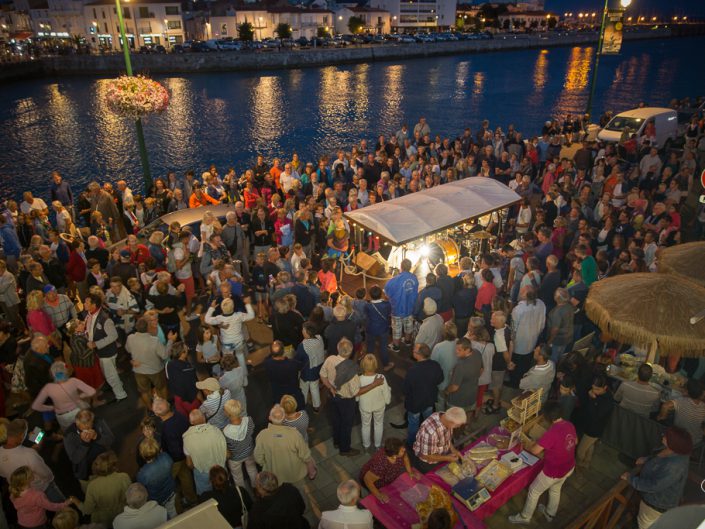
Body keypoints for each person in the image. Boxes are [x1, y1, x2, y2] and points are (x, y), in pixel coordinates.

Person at [509, 401, 577, 524]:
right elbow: (575, 441)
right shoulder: (569, 425)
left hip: (554, 471)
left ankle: (525, 517)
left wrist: (527, 444)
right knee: (555, 489)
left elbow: (535, 451)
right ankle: (550, 513)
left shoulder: (552, 432)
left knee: (534, 491)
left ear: (547, 417)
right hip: (569, 466)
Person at [320, 338, 383, 456]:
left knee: (335, 421)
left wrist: (330, 387)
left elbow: (322, 376)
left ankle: (337, 442)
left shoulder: (329, 359)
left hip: (332, 397)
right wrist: (374, 384)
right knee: (346, 425)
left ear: (338, 349)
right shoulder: (352, 371)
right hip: (346, 402)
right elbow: (356, 392)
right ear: (350, 352)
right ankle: (345, 449)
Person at [620, 426, 692, 529]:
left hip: (656, 505)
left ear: (674, 443)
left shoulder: (674, 466)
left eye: (667, 437)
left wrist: (630, 479)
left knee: (645, 524)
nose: (663, 436)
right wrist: (647, 459)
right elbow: (659, 460)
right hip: (656, 500)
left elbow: (653, 486)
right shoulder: (674, 450)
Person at [0, 419, 63, 502]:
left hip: (21, 493)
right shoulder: (29, 454)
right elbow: (47, 475)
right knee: (61, 503)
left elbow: (3, 474)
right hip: (41, 488)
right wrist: (37, 443)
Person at [253, 404, 316, 485]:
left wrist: (266, 463)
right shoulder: (294, 434)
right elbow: (305, 454)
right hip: (294, 473)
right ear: (284, 418)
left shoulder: (262, 436)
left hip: (275, 475)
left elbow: (258, 457)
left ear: (269, 418)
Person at [151, 398, 197, 509]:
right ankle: (192, 499)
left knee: (169, 482)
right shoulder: (179, 415)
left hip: (176, 459)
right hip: (186, 453)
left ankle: (176, 506)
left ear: (156, 414)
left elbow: (175, 450)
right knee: (186, 477)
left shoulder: (167, 429)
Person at [83, 292, 127, 401]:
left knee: (110, 375)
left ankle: (121, 395)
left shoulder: (105, 319)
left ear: (94, 305)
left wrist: (96, 344)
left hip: (107, 352)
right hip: (101, 352)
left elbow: (113, 336)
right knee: (110, 372)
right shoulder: (90, 314)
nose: (84, 304)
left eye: (86, 302)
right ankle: (119, 384)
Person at [31, 361, 96, 430]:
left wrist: (51, 408)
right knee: (85, 429)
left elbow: (35, 406)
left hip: (62, 416)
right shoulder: (73, 381)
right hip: (77, 412)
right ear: (65, 371)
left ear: (52, 374)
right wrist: (80, 396)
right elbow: (92, 391)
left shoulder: (48, 387)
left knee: (69, 433)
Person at [9, 466, 75, 529]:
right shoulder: (37, 495)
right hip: (37, 524)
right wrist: (66, 503)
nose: (33, 473)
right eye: (31, 473)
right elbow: (52, 507)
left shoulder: (13, 494)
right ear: (27, 480)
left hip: (22, 523)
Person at [125, 317, 169, 409]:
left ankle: (150, 408)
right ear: (148, 327)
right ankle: (164, 406)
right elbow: (164, 355)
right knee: (161, 387)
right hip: (155, 370)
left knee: (144, 391)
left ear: (136, 327)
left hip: (139, 370)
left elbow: (128, 350)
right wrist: (171, 341)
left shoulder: (130, 338)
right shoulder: (154, 340)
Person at [182, 409, 227, 496]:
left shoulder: (187, 438)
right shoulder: (216, 430)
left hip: (202, 471)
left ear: (191, 422)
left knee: (205, 495)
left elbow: (189, 464)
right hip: (220, 467)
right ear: (204, 418)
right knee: (224, 488)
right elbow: (226, 453)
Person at [360, 437, 418, 503]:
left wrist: (410, 472)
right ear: (394, 455)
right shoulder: (381, 464)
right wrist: (379, 495)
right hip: (375, 480)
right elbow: (367, 480)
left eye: (403, 448)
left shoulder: (401, 451)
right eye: (401, 450)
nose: (404, 449)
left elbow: (406, 459)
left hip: (387, 476)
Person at [64, 409, 115, 483]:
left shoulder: (99, 421)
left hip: (106, 464)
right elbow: (75, 459)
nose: (87, 429)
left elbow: (111, 440)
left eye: (89, 426)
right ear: (77, 424)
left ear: (92, 421)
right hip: (87, 472)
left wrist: (97, 437)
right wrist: (85, 444)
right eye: (83, 427)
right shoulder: (69, 435)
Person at [82, 451, 132, 526]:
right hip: (122, 514)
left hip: (102, 521)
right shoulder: (124, 477)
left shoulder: (92, 486)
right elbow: (130, 497)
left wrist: (77, 502)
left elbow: (88, 510)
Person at [412, 407, 467, 473]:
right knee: (431, 477)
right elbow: (426, 455)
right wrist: (447, 458)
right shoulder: (430, 433)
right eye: (457, 425)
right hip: (429, 462)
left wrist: (453, 450)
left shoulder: (444, 416)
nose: (458, 427)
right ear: (451, 422)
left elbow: (447, 438)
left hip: (440, 455)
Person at [576, 375, 614, 469]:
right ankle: (586, 462)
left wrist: (593, 399)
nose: (594, 391)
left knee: (580, 450)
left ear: (605, 387)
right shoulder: (596, 394)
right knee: (589, 446)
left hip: (594, 429)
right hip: (588, 426)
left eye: (597, 389)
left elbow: (596, 415)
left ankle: (579, 464)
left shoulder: (607, 401)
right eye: (593, 388)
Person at [510, 287, 546, 386]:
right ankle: (522, 381)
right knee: (526, 364)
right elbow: (543, 323)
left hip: (519, 344)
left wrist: (511, 341)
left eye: (522, 291)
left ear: (525, 295)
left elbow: (513, 329)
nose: (520, 292)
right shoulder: (541, 304)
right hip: (533, 341)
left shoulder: (518, 309)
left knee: (516, 365)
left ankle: (514, 383)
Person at [445, 337, 483, 423]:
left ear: (467, 350)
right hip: (472, 395)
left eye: (459, 350)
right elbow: (481, 370)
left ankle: (456, 435)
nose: (456, 351)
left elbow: (454, 387)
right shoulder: (477, 353)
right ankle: (466, 428)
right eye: (456, 349)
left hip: (458, 400)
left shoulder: (461, 365)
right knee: (468, 415)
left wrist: (446, 390)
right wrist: (472, 379)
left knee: (454, 421)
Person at [357, 354, 391, 451]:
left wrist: (358, 400)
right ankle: (377, 445)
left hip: (365, 406)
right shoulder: (381, 377)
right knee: (378, 424)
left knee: (365, 425)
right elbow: (387, 395)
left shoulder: (359, 379)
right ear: (376, 364)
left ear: (363, 365)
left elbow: (357, 395)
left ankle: (366, 445)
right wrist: (387, 400)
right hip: (379, 406)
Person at [384, 258, 418, 353]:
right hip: (410, 308)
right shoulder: (414, 278)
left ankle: (396, 347)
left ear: (401, 267)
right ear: (410, 267)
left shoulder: (394, 280)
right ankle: (407, 341)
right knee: (408, 325)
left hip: (397, 309)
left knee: (397, 329)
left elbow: (386, 293)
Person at [137, 438, 177, 519]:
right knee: (172, 512)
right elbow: (171, 466)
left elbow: (143, 488)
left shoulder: (142, 474)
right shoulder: (166, 457)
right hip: (170, 492)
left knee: (161, 518)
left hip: (156, 501)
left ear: (142, 453)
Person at [657, 379, 705, 446]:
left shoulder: (681, 401)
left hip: (679, 439)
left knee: (664, 419)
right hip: (695, 441)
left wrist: (662, 416)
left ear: (687, 391)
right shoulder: (703, 406)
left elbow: (665, 406)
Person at [223, 399, 258, 490]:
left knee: (237, 476)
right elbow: (252, 431)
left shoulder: (226, 431)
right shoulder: (249, 420)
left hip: (235, 458)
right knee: (252, 469)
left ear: (228, 414)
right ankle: (255, 486)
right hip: (249, 452)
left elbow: (227, 445)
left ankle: (242, 491)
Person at [295, 323, 325, 412]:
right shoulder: (319, 338)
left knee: (303, 388)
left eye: (303, 330)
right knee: (314, 387)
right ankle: (316, 406)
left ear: (308, 333)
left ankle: (302, 405)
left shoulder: (303, 346)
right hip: (317, 369)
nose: (302, 331)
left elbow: (298, 359)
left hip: (306, 371)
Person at [546, 288, 574, 364]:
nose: (554, 295)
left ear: (557, 298)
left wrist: (550, 341)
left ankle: (552, 373)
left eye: (555, 294)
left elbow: (555, 329)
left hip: (558, 340)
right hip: (567, 337)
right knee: (560, 356)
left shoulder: (557, 312)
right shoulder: (569, 306)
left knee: (553, 359)